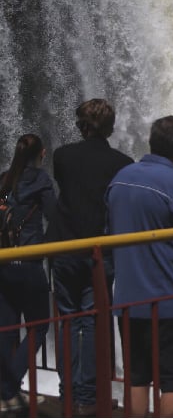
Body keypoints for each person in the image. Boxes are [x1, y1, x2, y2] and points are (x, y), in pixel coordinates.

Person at [106, 115, 173, 418]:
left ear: (151, 141)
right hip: (168, 302)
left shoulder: (119, 178)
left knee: (137, 378)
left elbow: (109, 227)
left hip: (126, 300)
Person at [48, 98, 133, 416]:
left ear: (82, 125)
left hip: (64, 249)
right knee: (93, 321)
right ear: (110, 127)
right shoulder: (122, 163)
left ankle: (66, 392)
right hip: (99, 251)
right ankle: (88, 395)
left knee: (67, 320)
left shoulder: (62, 157)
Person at [0, 134, 56, 412]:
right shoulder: (41, 180)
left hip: (4, 263)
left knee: (8, 328)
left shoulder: (4, 180)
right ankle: (9, 388)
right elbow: (54, 215)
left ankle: (6, 390)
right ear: (41, 154)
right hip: (30, 263)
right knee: (38, 327)